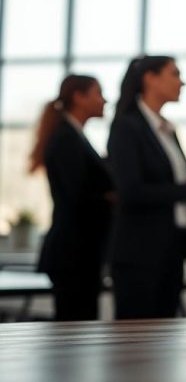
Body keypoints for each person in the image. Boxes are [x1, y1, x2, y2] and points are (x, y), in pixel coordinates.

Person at [107, 56, 186, 319]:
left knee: (164, 343)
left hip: (170, 253)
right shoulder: (126, 127)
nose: (181, 82)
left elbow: (181, 208)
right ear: (150, 79)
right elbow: (131, 192)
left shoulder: (167, 130)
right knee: (135, 344)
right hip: (139, 255)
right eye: (174, 74)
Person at [31, 74, 113, 321]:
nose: (104, 100)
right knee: (74, 325)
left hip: (79, 250)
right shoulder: (67, 138)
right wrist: (112, 198)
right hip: (73, 252)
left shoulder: (74, 135)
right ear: (79, 97)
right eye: (97, 93)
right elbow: (76, 195)